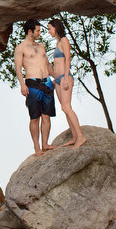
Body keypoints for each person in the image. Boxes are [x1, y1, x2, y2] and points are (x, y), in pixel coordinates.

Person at [14, 20, 57, 156]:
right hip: (32, 84)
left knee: (46, 116)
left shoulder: (42, 46)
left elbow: (48, 65)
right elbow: (18, 68)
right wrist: (22, 85)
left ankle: (45, 144)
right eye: (38, 30)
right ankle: (37, 147)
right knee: (35, 117)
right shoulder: (20, 48)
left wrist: (57, 78)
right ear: (30, 31)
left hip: (47, 83)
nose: (40, 33)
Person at [48, 18, 87, 148]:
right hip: (57, 80)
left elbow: (68, 59)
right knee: (64, 108)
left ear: (56, 27)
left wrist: (65, 77)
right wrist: (55, 78)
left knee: (66, 107)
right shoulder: (57, 42)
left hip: (65, 78)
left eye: (49, 28)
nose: (49, 31)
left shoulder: (64, 40)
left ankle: (81, 137)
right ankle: (75, 137)